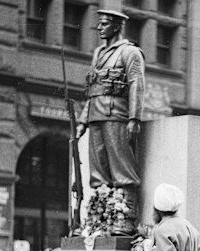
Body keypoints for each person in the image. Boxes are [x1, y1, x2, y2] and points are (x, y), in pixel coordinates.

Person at [76, 9, 145, 236]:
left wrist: (134, 118)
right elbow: (93, 89)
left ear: (117, 26)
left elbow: (137, 85)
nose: (99, 28)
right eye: (99, 23)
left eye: (104, 23)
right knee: (98, 170)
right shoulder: (98, 54)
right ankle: (100, 218)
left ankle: (126, 218)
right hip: (96, 115)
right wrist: (83, 120)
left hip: (117, 115)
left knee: (121, 167)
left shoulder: (130, 52)